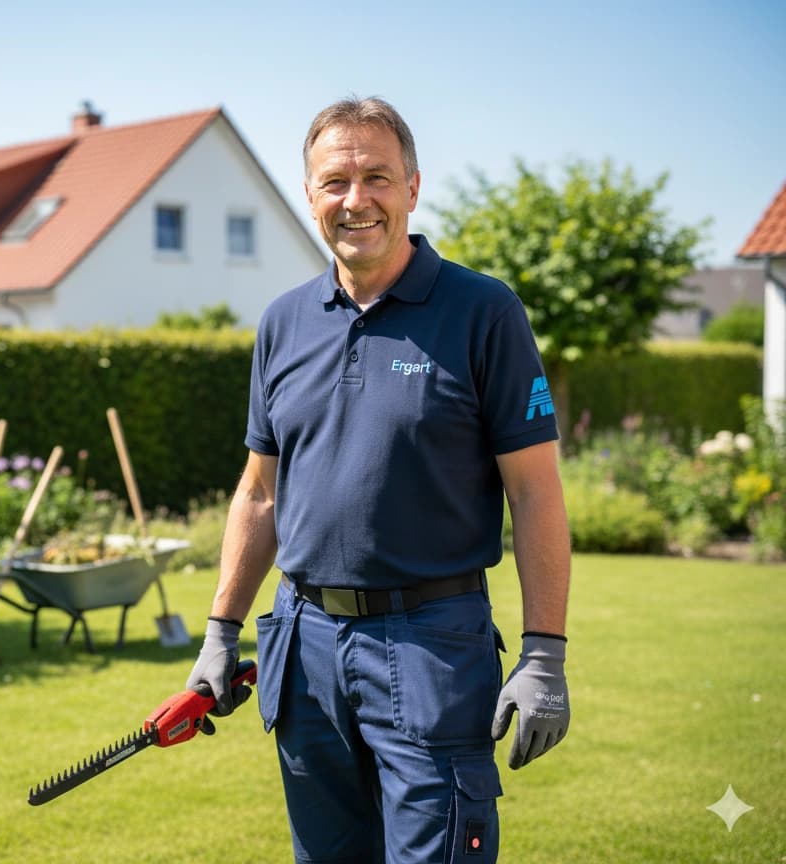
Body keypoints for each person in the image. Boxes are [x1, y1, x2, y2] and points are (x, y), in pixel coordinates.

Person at [186, 96, 571, 864]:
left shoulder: (482, 312)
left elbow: (536, 493)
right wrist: (221, 633)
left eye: (377, 177)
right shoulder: (283, 323)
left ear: (414, 188)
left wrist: (544, 656)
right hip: (304, 645)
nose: (355, 199)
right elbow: (260, 491)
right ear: (309, 195)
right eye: (335, 181)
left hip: (431, 647)